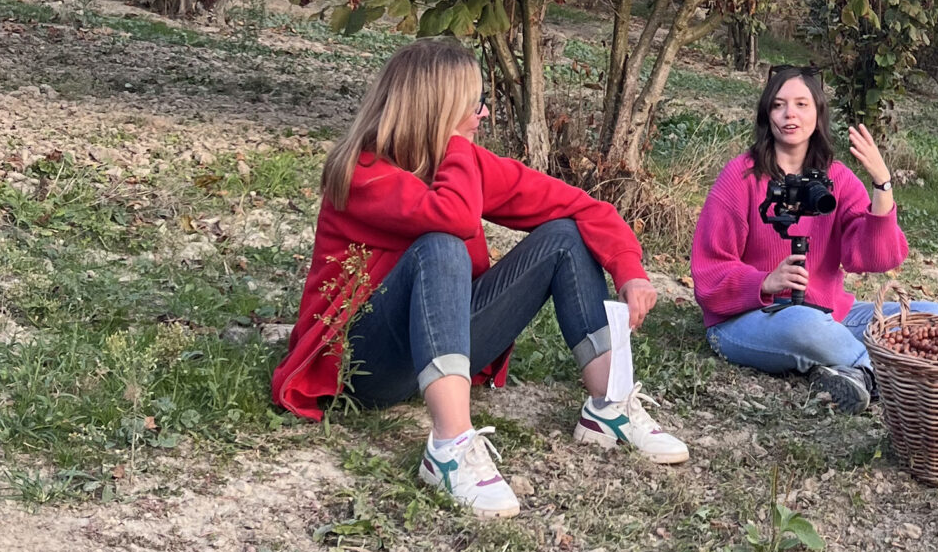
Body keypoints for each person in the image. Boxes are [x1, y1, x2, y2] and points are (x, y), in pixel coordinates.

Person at [274, 38, 685, 516]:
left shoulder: (461, 163)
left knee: (564, 235)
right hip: (365, 366)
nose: (484, 113)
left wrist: (629, 269)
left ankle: (609, 405)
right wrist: (456, 147)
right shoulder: (364, 173)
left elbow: (584, 207)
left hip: (440, 346)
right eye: (474, 103)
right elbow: (452, 217)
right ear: (439, 109)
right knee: (441, 245)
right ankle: (449, 447)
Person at [692, 64, 938, 413]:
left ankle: (850, 370)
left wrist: (882, 183)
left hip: (831, 315)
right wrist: (764, 282)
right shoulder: (741, 176)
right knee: (805, 325)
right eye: (779, 104)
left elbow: (877, 257)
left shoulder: (836, 179)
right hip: (749, 319)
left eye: (802, 104)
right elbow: (708, 273)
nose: (790, 114)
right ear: (767, 113)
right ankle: (888, 377)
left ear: (818, 113)